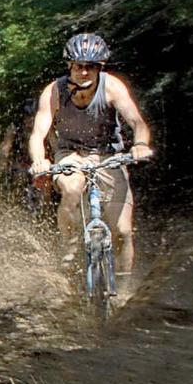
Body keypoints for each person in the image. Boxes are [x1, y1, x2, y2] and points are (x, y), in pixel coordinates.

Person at [27, 33, 152, 278]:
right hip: (71, 154)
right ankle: (70, 246)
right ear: (69, 66)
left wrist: (140, 144)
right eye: (79, 67)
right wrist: (39, 160)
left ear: (100, 67)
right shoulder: (54, 91)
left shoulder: (112, 87)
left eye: (91, 67)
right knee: (71, 188)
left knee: (123, 231)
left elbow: (137, 121)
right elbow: (37, 133)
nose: (84, 72)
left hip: (109, 156)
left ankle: (124, 288)